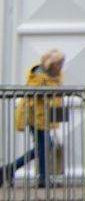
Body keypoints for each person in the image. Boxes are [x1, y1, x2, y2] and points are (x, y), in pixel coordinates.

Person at [10, 50, 66, 188]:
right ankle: (43, 178)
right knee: (45, 146)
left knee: (44, 146)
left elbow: (57, 97)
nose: (61, 66)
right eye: (58, 63)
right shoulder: (38, 76)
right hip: (37, 117)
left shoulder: (56, 76)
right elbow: (31, 98)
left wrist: (57, 116)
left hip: (46, 117)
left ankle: (9, 170)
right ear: (50, 64)